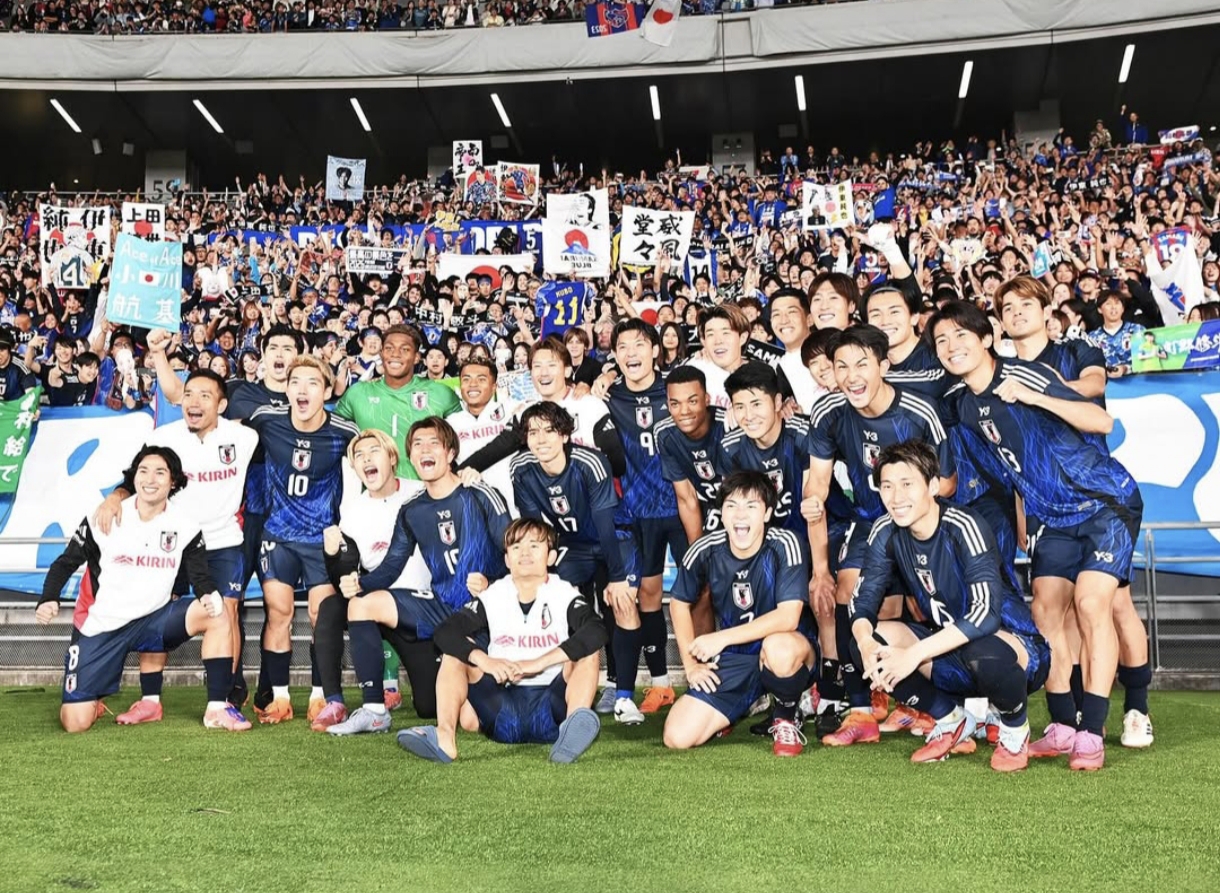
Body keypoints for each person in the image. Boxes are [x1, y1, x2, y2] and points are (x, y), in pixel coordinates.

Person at [930, 300, 1143, 770]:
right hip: (1051, 519)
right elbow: (995, 471)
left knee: (1091, 605)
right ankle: (1064, 725)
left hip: (1105, 502)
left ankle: (1093, 731)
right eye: (941, 341)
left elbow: (1102, 421)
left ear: (986, 338)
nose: (951, 346)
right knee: (1045, 616)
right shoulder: (961, 407)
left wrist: (1036, 397)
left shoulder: (1025, 374)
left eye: (960, 335)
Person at [850, 441, 1050, 772]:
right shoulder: (885, 531)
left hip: (1014, 650)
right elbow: (862, 603)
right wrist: (865, 641)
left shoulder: (963, 525)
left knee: (981, 651)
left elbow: (985, 617)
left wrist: (913, 654)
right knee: (867, 646)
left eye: (906, 484)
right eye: (886, 486)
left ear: (932, 485)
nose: (896, 497)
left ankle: (1015, 729)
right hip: (945, 651)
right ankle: (951, 719)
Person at [803, 324, 955, 746]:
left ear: (884, 366)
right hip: (870, 523)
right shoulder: (828, 413)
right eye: (841, 366)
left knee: (925, 608)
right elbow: (815, 484)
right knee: (849, 597)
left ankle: (926, 706)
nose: (851, 375)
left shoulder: (919, 412)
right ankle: (860, 710)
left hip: (923, 524)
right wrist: (814, 506)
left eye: (861, 364)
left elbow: (948, 482)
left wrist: (913, 507)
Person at [37, 445, 249, 733]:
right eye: (143, 471)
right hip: (102, 627)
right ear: (134, 477)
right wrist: (48, 598)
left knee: (218, 612)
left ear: (173, 480)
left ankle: (216, 709)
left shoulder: (185, 526)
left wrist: (209, 595)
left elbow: (200, 578)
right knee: (75, 723)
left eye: (160, 472)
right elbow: (65, 563)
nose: (150, 479)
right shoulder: (105, 517)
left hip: (151, 621)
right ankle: (92, 698)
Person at [91, 369, 257, 724]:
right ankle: (150, 700)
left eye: (205, 395)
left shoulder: (244, 438)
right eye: (189, 394)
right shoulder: (163, 437)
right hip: (172, 545)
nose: (194, 402)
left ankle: (223, 699)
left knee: (225, 613)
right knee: (154, 611)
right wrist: (115, 500)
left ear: (222, 404)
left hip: (223, 542)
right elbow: (131, 479)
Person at [325, 417, 511, 735]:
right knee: (362, 605)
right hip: (438, 607)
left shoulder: (480, 493)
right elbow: (391, 567)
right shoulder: (412, 509)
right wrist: (359, 584)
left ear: (451, 452)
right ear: (410, 457)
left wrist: (492, 583)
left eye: (433, 443)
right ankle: (374, 710)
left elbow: (517, 555)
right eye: (417, 445)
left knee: (474, 718)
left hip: (483, 614)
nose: (424, 450)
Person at [397, 518, 606, 764]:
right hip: (501, 705)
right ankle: (445, 739)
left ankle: (571, 732)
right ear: (507, 559)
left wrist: (537, 663)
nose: (524, 553)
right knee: (456, 650)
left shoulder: (564, 592)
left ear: (551, 557)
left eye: (534, 546)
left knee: (588, 652)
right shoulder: (494, 594)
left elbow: (596, 630)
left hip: (552, 707)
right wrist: (485, 661)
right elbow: (446, 631)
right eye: (516, 547)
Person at [662, 471, 818, 757]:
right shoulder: (706, 549)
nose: (740, 515)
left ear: (768, 512)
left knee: (778, 647)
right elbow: (678, 602)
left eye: (751, 506)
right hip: (738, 657)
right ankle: (745, 704)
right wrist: (690, 663)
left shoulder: (785, 544)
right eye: (731, 506)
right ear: (721, 514)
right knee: (677, 736)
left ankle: (786, 715)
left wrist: (720, 638)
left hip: (789, 650)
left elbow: (788, 617)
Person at [245, 356, 360, 725]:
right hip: (278, 535)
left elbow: (372, 466)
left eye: (313, 383)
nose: (302, 389)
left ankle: (319, 695)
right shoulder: (266, 419)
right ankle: (279, 698)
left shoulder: (344, 431)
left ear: (327, 391)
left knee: (318, 617)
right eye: (296, 382)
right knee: (278, 613)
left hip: (321, 540)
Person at [509, 401, 641, 723]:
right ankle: (562, 686)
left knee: (620, 601)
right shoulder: (521, 469)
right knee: (558, 602)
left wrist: (618, 577)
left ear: (565, 434)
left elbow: (605, 527)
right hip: (572, 544)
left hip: (614, 538)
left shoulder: (590, 463)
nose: (540, 439)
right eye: (533, 432)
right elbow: (535, 526)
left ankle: (623, 694)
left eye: (549, 431)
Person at [314, 429, 432, 718]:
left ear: (392, 458)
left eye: (373, 451)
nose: (366, 458)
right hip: (374, 603)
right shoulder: (352, 512)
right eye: (359, 455)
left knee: (430, 707)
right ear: (354, 468)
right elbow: (344, 581)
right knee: (330, 606)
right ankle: (335, 701)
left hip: (419, 607)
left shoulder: (422, 492)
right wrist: (331, 555)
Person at [602, 319, 687, 715]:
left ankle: (719, 679)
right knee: (649, 596)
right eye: (623, 346)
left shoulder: (677, 390)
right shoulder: (608, 396)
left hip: (684, 505)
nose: (632, 352)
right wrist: (594, 383)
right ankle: (660, 683)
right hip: (639, 512)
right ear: (615, 355)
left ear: (656, 350)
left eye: (640, 344)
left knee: (702, 594)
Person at [334, 324, 462, 480]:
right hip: (374, 494)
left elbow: (464, 440)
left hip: (426, 494)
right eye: (389, 348)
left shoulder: (441, 393)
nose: (395, 354)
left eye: (405, 349)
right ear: (381, 354)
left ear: (416, 357)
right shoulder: (358, 393)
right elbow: (331, 437)